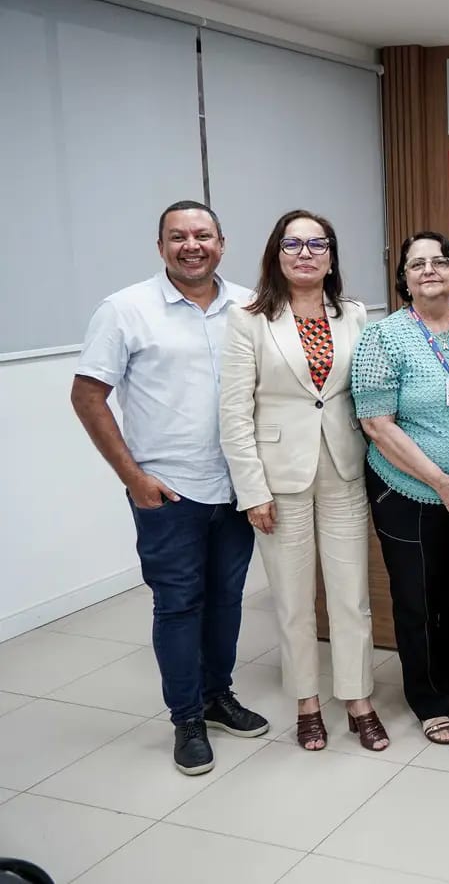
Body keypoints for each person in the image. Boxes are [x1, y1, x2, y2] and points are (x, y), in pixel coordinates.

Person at [71, 200, 269, 776]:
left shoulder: (249, 307)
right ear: (161, 247)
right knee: (179, 604)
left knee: (227, 601)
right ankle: (186, 718)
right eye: (178, 236)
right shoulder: (125, 310)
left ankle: (217, 696)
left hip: (236, 487)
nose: (192, 245)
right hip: (169, 492)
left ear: (221, 243)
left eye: (202, 235)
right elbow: (87, 396)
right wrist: (134, 478)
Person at [219, 209, 386, 752]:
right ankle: (308, 702)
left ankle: (358, 698)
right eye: (294, 244)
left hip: (344, 469)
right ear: (277, 253)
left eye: (318, 244)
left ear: (332, 255)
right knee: (292, 600)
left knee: (351, 595)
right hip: (277, 479)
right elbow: (234, 413)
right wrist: (252, 490)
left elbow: (366, 392)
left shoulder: (354, 313)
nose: (306, 253)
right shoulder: (249, 318)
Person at [351, 231, 449, 746]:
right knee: (417, 598)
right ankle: (427, 698)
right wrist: (440, 482)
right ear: (405, 280)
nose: (429, 270)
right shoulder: (382, 337)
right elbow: (376, 423)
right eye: (417, 264)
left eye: (440, 261)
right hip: (408, 492)